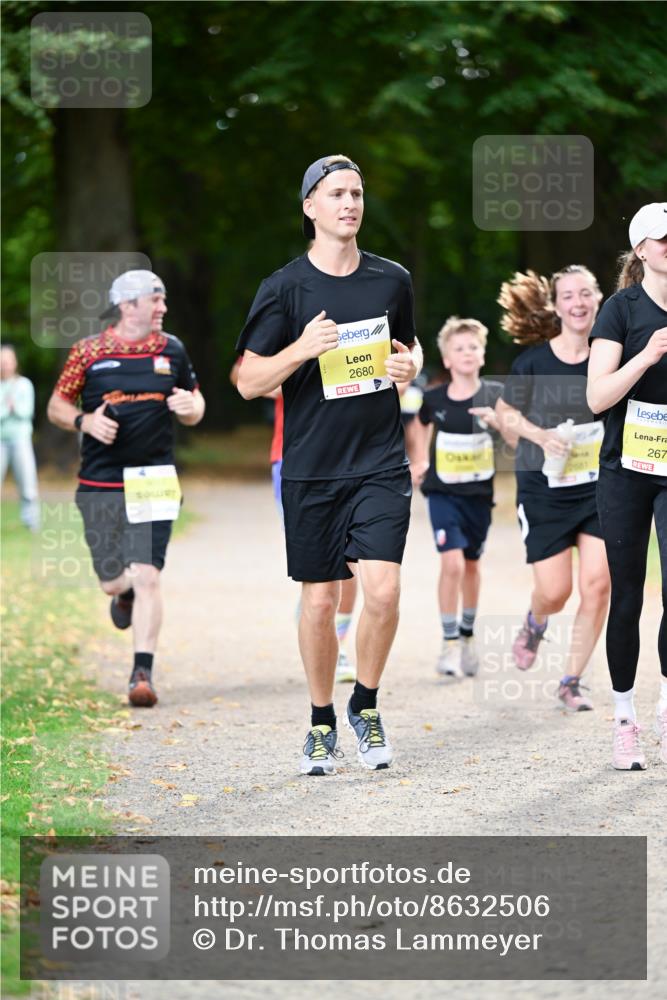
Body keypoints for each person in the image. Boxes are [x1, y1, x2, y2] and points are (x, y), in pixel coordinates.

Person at [236, 154, 422, 775]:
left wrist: (411, 368)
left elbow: (409, 347)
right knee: (319, 604)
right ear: (310, 206)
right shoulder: (284, 288)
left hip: (379, 461)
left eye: (357, 193)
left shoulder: (391, 280)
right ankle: (321, 720)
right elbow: (246, 381)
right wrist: (300, 348)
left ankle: (364, 705)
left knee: (385, 590)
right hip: (312, 467)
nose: (349, 203)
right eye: (337, 193)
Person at [47, 270, 205, 707]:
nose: (163, 308)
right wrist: (85, 421)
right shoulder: (89, 352)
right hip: (100, 482)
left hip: (154, 476)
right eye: (157, 299)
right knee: (115, 583)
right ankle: (125, 594)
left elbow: (195, 400)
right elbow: (57, 405)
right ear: (128, 305)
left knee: (149, 574)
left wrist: (191, 408)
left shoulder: (170, 349)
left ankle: (142, 673)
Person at [496, 266, 611, 711]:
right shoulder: (533, 361)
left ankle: (571, 680)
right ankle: (536, 620)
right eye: (569, 296)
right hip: (544, 490)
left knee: (598, 584)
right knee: (555, 591)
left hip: (598, 488)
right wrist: (540, 436)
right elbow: (506, 416)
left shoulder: (610, 356)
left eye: (586, 293)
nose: (578, 302)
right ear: (557, 306)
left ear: (598, 299)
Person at [587, 202, 667, 770]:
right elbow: (597, 398)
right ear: (642, 250)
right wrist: (646, 356)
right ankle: (624, 719)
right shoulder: (621, 310)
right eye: (665, 239)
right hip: (625, 471)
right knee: (629, 596)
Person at [230, 358, 358, 682]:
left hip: (349, 456)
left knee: (350, 560)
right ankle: (317, 620)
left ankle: (337, 644)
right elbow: (242, 374)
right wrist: (286, 373)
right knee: (320, 561)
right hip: (293, 458)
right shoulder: (288, 317)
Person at [409, 317, 504, 679]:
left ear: (482, 354)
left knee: (470, 565)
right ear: (447, 359)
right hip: (442, 492)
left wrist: (499, 423)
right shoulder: (433, 398)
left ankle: (466, 636)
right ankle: (448, 643)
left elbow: (514, 438)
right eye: (458, 349)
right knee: (450, 563)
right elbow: (419, 424)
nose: (466, 353)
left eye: (472, 347)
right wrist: (419, 459)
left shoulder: (494, 394)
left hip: (479, 494)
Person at [0, 344, 40, 531]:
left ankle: (31, 522)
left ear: (14, 362)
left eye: (8, 361)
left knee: (27, 483)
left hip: (20, 439)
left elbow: (26, 412)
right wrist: (8, 409)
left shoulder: (24, 384)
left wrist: (12, 408)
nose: (5, 365)